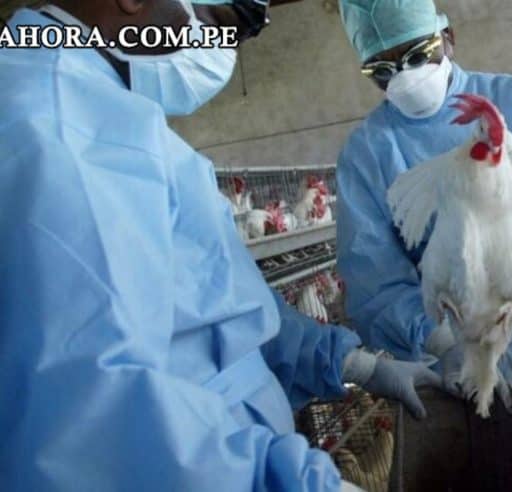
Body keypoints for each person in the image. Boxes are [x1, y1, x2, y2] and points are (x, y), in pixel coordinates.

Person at [0, 1, 440, 490]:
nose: (220, 51)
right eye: (218, 24)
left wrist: (349, 362)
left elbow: (215, 299)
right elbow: (93, 430)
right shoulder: (54, 128)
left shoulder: (103, 109)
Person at [335, 1, 512, 490]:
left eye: (416, 54)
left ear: (448, 37)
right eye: (382, 70)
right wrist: (442, 339)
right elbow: (372, 282)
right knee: (490, 475)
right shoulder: (367, 153)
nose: (404, 77)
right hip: (451, 353)